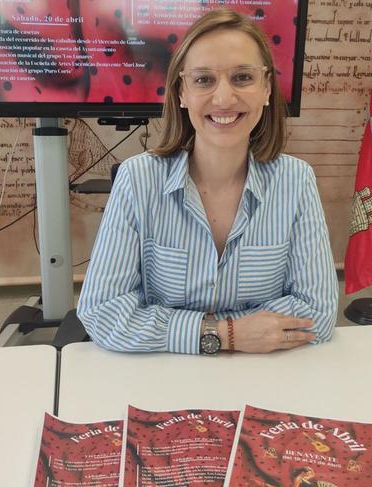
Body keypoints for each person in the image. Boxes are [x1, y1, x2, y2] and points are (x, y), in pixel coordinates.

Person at [77, 8, 338, 355]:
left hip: (265, 376)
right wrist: (229, 334)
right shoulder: (137, 180)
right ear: (182, 93)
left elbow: (317, 313)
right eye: (203, 80)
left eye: (243, 77)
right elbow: (102, 314)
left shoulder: (296, 181)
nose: (224, 98)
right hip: (165, 376)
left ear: (266, 89)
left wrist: (169, 327)